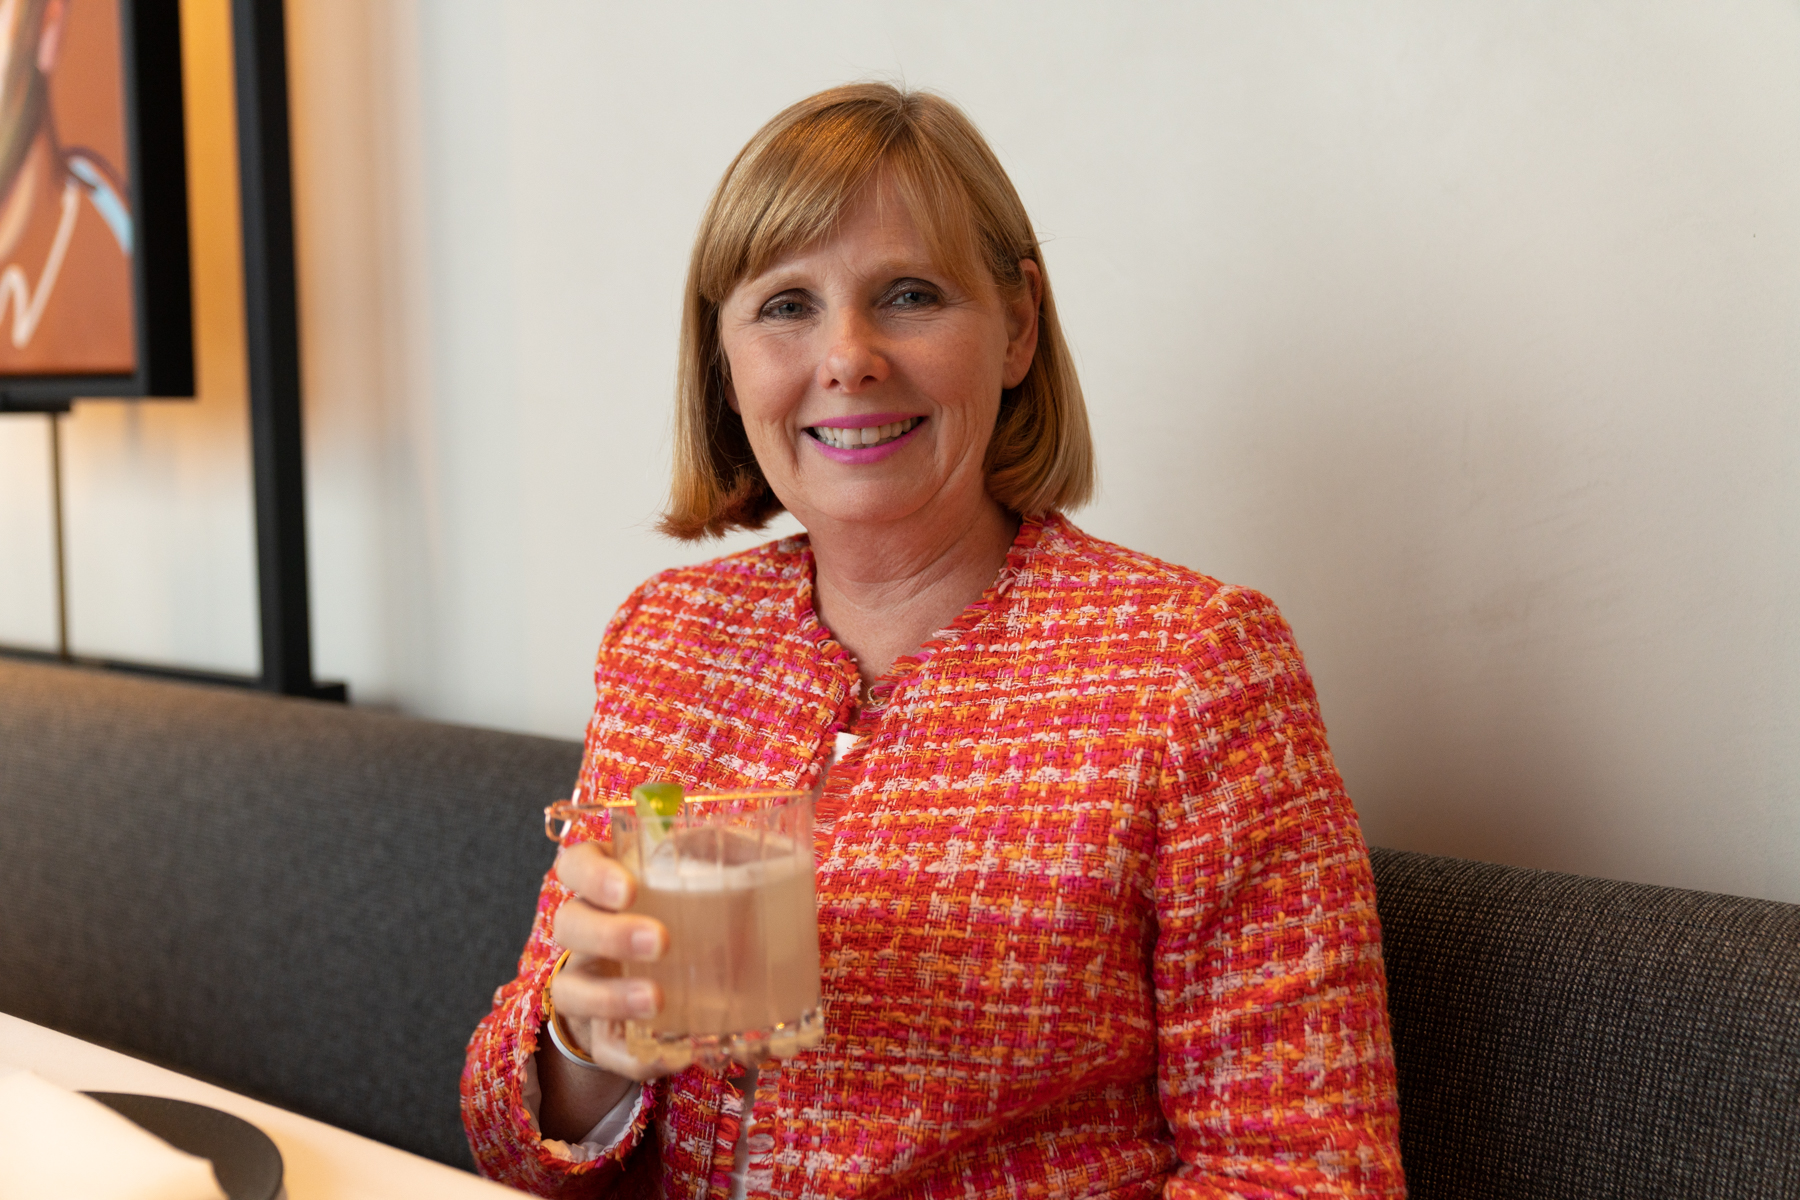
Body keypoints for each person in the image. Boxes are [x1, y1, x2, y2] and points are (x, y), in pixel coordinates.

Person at [461, 82, 1405, 1199]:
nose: (848, 356)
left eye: (909, 295)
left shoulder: (1191, 665)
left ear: (1017, 327)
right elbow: (509, 1141)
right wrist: (587, 1052)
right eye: (786, 306)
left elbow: (1306, 1175)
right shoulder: (673, 641)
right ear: (724, 360)